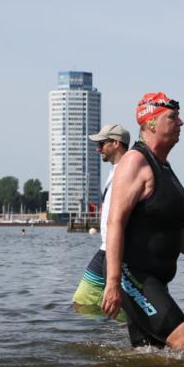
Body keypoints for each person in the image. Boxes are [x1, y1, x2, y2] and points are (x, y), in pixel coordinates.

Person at [101, 93, 184, 349]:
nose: (181, 123)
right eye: (173, 117)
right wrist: (113, 282)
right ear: (150, 122)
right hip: (132, 276)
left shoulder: (164, 166)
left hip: (155, 281)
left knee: (152, 360)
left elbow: (173, 228)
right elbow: (115, 223)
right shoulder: (135, 162)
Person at [72, 124, 131, 317]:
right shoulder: (115, 170)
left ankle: (126, 329)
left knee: (123, 307)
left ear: (116, 143)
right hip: (105, 248)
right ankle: (105, 331)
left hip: (117, 250)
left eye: (102, 144)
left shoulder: (129, 171)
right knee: (82, 301)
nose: (98, 149)